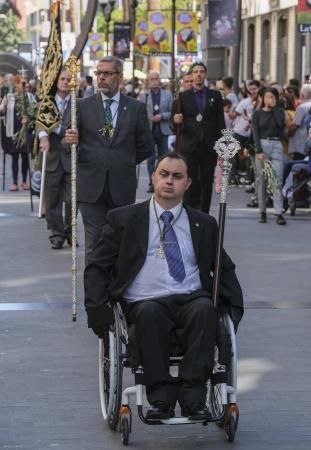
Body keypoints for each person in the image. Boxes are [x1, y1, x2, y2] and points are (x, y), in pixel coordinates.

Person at [84, 152, 243, 421]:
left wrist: (234, 309)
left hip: (191, 297)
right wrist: (97, 311)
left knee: (206, 310)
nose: (169, 181)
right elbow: (98, 267)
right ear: (154, 177)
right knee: (149, 314)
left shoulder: (203, 223)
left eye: (177, 176)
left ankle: (194, 398)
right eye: (164, 174)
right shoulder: (123, 219)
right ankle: (161, 399)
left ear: (188, 183)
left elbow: (223, 268)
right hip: (145, 301)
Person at [65, 56, 153, 263]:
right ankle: (94, 294)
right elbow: (67, 144)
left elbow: (146, 146)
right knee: (94, 243)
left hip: (121, 185)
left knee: (119, 242)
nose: (101, 77)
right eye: (99, 73)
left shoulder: (135, 108)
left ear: (120, 77)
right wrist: (69, 140)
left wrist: (123, 160)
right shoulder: (82, 105)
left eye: (107, 73)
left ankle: (115, 290)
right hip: (90, 186)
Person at [173, 62, 225, 213]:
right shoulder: (183, 97)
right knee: (190, 180)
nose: (198, 74)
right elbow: (174, 123)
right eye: (195, 72)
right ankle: (189, 211)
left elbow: (220, 121)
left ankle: (204, 214)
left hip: (209, 145)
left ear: (205, 74)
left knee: (207, 181)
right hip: (189, 145)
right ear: (191, 75)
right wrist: (176, 120)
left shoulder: (215, 96)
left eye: (201, 71)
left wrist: (222, 146)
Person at [38, 69, 72, 249]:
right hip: (52, 158)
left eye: (68, 79)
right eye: (62, 79)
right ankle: (57, 234)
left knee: (72, 199)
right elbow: (41, 124)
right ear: (56, 81)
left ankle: (69, 230)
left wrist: (59, 128)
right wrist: (43, 138)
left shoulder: (78, 103)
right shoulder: (47, 103)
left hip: (71, 158)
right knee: (52, 200)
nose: (65, 82)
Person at [252, 87, 287, 225]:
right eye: (267, 97)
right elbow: (255, 133)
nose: (270, 99)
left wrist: (275, 108)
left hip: (276, 144)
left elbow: (280, 125)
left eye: (273, 97)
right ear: (263, 98)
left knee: (277, 179)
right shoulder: (257, 114)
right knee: (262, 180)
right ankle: (262, 211)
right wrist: (259, 151)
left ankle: (278, 212)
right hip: (262, 144)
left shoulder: (279, 112)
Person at [138, 70, 173, 193]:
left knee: (163, 157)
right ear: (148, 81)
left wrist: (162, 116)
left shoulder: (167, 94)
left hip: (163, 130)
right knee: (151, 158)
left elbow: (172, 112)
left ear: (159, 80)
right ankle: (152, 182)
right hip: (149, 130)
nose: (154, 81)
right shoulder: (144, 95)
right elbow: (140, 114)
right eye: (152, 79)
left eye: (156, 79)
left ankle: (162, 181)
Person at [0, 74, 34, 192]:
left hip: (25, 131)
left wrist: (29, 118)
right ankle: (14, 182)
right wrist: (2, 107)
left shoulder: (29, 97)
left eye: (25, 83)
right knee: (15, 157)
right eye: (21, 83)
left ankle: (24, 181)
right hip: (13, 130)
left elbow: (34, 112)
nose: (25, 85)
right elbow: (2, 111)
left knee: (25, 157)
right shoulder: (9, 97)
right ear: (16, 85)